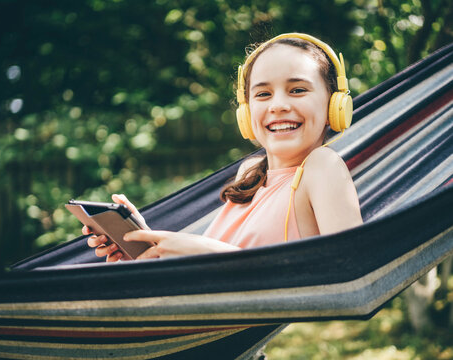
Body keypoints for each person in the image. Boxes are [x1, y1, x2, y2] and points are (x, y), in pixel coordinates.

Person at [84, 33, 363, 262]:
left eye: (297, 89)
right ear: (246, 113)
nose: (278, 105)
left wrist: (207, 252)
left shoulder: (321, 167)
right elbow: (215, 278)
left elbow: (351, 271)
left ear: (334, 106)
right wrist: (147, 245)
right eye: (263, 94)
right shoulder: (250, 173)